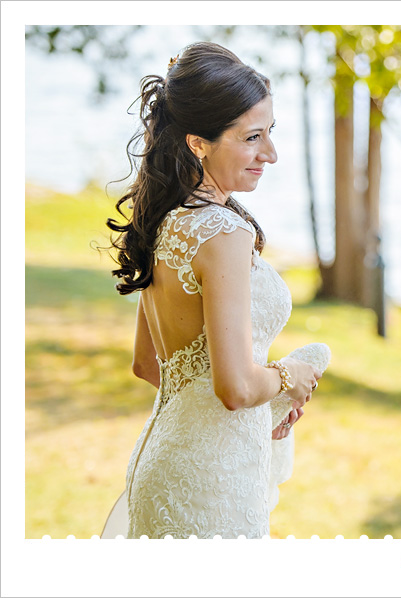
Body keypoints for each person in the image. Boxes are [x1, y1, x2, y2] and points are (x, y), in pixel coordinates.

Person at [104, 41, 321, 538]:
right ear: (198, 142)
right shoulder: (223, 232)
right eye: (251, 138)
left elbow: (148, 364)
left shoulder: (164, 220)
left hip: (167, 461)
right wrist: (290, 376)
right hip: (210, 485)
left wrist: (254, 417)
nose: (270, 153)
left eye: (270, 133)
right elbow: (236, 387)